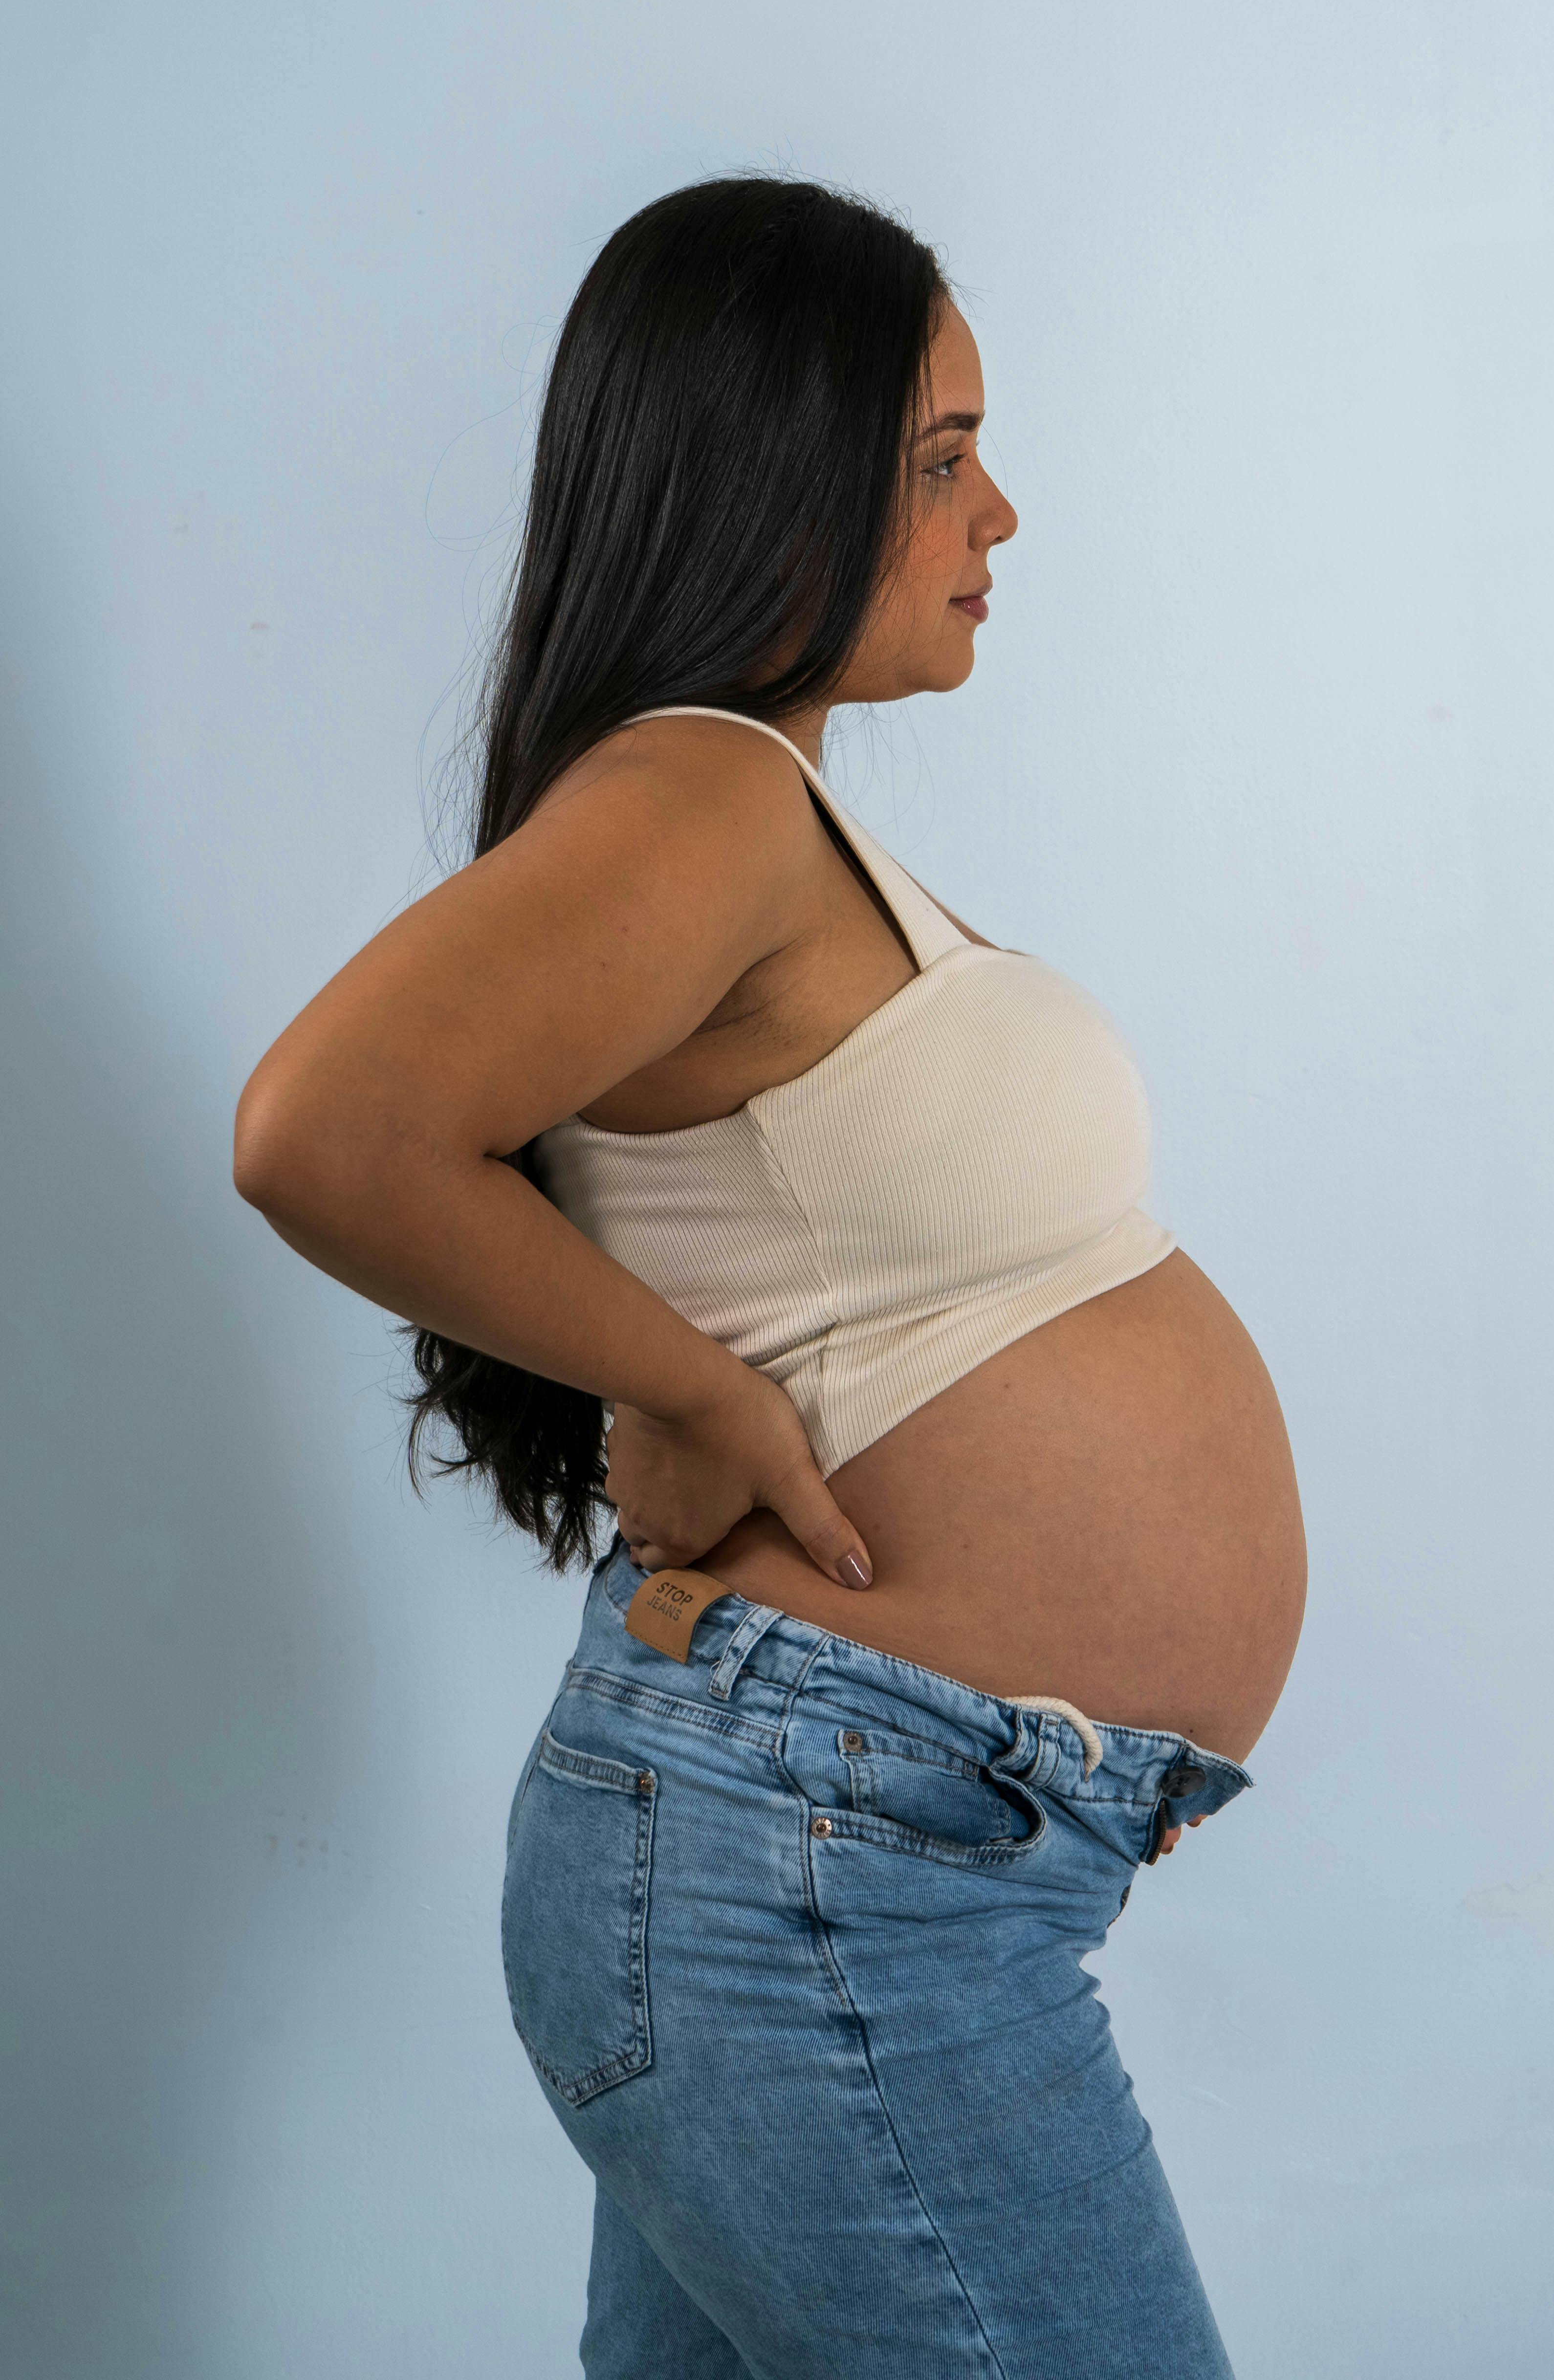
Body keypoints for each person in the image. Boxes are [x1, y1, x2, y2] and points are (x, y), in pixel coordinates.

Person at [234, 174, 1307, 2378]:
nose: (998, 514)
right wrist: (701, 1395)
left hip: (856, 1853)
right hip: (813, 1873)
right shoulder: (704, 797)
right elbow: (321, 1133)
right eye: (936, 461)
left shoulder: (763, 814)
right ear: (768, 475)